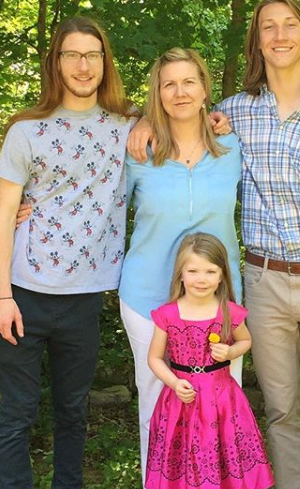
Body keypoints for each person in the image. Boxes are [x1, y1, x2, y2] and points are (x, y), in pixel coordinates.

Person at [128, 1, 300, 488]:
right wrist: (141, 118)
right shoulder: (236, 113)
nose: (280, 35)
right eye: (268, 26)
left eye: (290, 25)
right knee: (280, 412)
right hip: (261, 284)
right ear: (257, 40)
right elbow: (179, 108)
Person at [0, 17, 134, 489]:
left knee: (73, 413)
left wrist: (220, 117)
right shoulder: (26, 131)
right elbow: (3, 213)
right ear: (56, 62)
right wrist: (1, 295)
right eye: (71, 54)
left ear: (105, 62)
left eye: (92, 54)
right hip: (24, 296)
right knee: (18, 414)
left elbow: (186, 112)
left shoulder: (128, 127)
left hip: (84, 299)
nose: (83, 64)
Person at [118, 48, 244, 482]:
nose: (180, 92)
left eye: (189, 81)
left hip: (219, 306)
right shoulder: (138, 150)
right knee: (157, 407)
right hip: (148, 299)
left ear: (206, 90)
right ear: (157, 93)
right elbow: (99, 208)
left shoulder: (233, 148)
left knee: (220, 411)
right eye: (168, 84)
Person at [146, 232, 274, 489]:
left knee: (222, 454)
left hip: (223, 400)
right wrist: (173, 382)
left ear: (221, 275)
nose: (201, 279)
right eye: (192, 271)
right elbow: (155, 358)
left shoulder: (229, 312)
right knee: (182, 460)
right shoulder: (167, 314)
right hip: (181, 400)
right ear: (180, 274)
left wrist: (229, 353)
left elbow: (245, 341)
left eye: (210, 272)